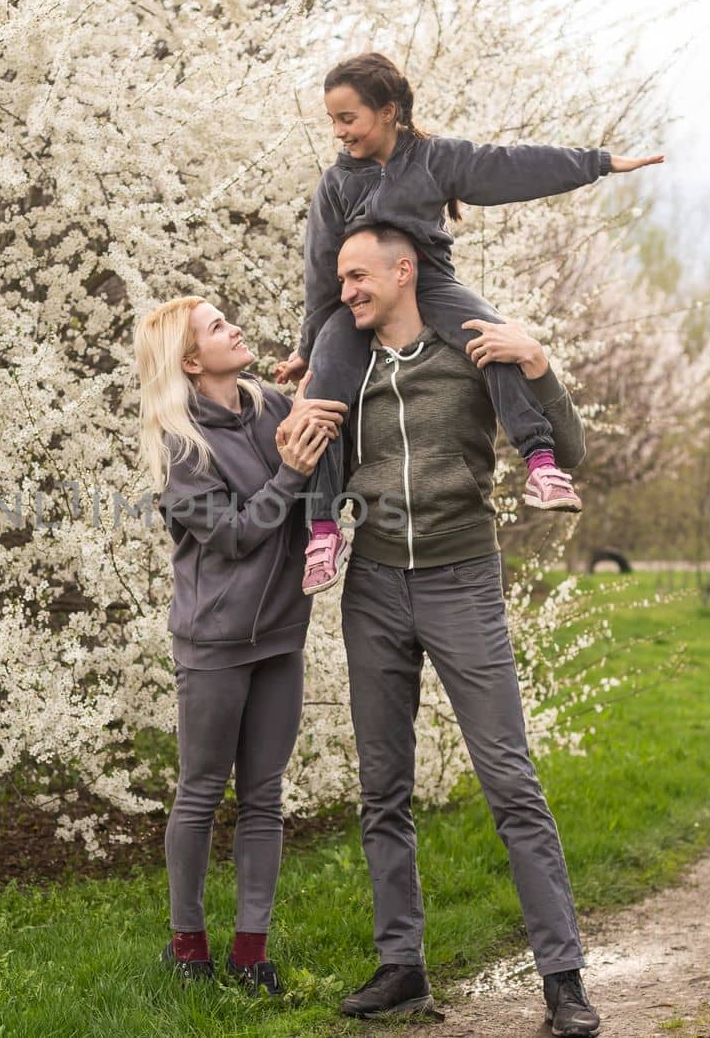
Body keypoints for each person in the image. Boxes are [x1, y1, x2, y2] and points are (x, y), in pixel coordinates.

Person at [277, 226, 602, 1037]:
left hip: (463, 579)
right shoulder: (344, 370)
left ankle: (563, 981)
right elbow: (301, 460)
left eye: (359, 276)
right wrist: (290, 440)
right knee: (382, 788)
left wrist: (537, 362)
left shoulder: (470, 347)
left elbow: (570, 450)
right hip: (374, 586)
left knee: (509, 781)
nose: (346, 289)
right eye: (340, 277)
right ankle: (402, 968)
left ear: (403, 270)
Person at [274, 51, 663, 595]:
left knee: (494, 340)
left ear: (387, 112)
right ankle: (321, 525)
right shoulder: (337, 184)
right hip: (354, 303)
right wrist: (310, 346)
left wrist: (598, 163)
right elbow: (320, 273)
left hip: (431, 284)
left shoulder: (436, 160)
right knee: (322, 394)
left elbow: (511, 166)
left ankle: (544, 464)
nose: (339, 132)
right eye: (333, 120)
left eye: (348, 118)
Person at [134, 295, 347, 996]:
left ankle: (251, 953)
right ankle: (187, 945)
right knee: (200, 793)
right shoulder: (179, 446)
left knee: (264, 795)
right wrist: (288, 473)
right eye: (218, 327)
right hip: (215, 642)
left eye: (229, 318)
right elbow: (231, 535)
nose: (236, 328)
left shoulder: (269, 406)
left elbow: (333, 437)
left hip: (282, 633)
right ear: (192, 362)